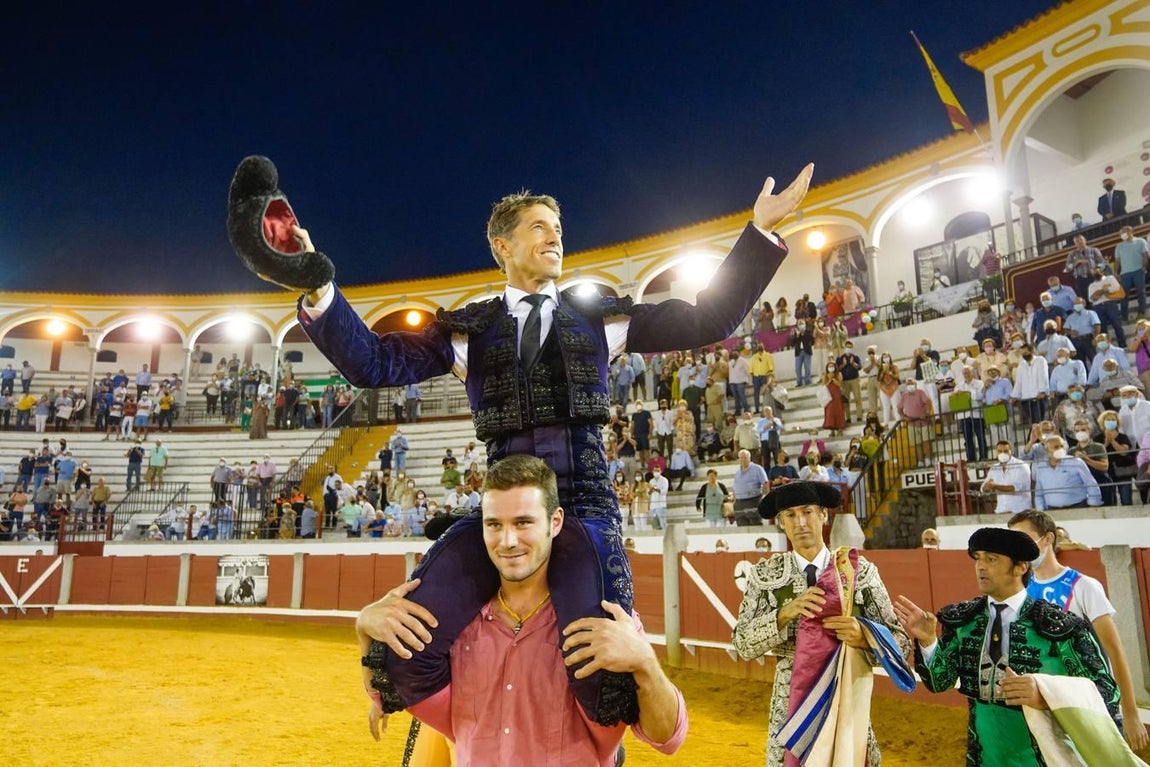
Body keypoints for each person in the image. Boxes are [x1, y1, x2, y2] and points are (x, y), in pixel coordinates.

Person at [357, 455, 687, 762]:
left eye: (523, 522)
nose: (508, 541)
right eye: (494, 525)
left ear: (555, 522)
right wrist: (364, 630)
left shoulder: (605, 621)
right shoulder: (456, 624)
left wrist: (646, 663)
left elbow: (667, 738)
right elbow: (387, 696)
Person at [894, 528, 1125, 766]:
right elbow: (938, 682)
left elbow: (1106, 692)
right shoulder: (965, 621)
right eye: (978, 558)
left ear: (1020, 567)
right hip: (985, 756)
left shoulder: (1060, 628)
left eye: (991, 559)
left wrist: (1045, 695)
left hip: (1045, 758)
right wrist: (928, 641)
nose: (980, 567)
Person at [733, 481, 913, 767]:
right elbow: (742, 644)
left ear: (824, 516)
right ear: (781, 523)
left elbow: (901, 644)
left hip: (845, 698)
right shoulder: (765, 575)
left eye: (807, 512)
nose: (801, 522)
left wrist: (865, 635)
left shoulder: (859, 572)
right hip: (790, 706)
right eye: (790, 515)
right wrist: (784, 613)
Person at [1008, 509, 1149, 751]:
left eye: (1025, 540)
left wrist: (1130, 713)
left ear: (1048, 539)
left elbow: (1114, 650)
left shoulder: (1084, 586)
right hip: (1043, 702)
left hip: (1090, 702)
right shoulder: (1020, 591)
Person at [1033, 434, 1101, 511]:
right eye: (1056, 447)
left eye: (1062, 446)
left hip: (1078, 507)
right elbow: (1039, 492)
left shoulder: (1076, 462)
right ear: (1047, 451)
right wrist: (1040, 510)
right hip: (1052, 510)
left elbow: (1091, 483)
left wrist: (1094, 504)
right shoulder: (1041, 467)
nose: (1060, 449)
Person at [1115, 225, 1148, 322]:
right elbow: (1117, 260)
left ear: (1130, 232)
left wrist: (1144, 266)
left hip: (1138, 271)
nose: (1122, 235)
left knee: (1141, 292)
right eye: (1121, 234)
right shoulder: (1119, 246)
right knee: (1123, 295)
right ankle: (1124, 316)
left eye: (1123, 233)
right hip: (1125, 273)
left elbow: (1145, 255)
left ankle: (1142, 312)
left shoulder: (1141, 241)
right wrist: (1116, 272)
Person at [730, 449, 768, 527]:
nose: (743, 460)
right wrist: (734, 500)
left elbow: (765, 483)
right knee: (741, 526)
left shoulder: (757, 468)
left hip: (753, 501)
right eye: (741, 458)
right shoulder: (737, 473)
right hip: (739, 503)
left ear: (749, 458)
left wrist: (764, 497)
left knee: (755, 524)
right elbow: (735, 487)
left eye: (745, 457)